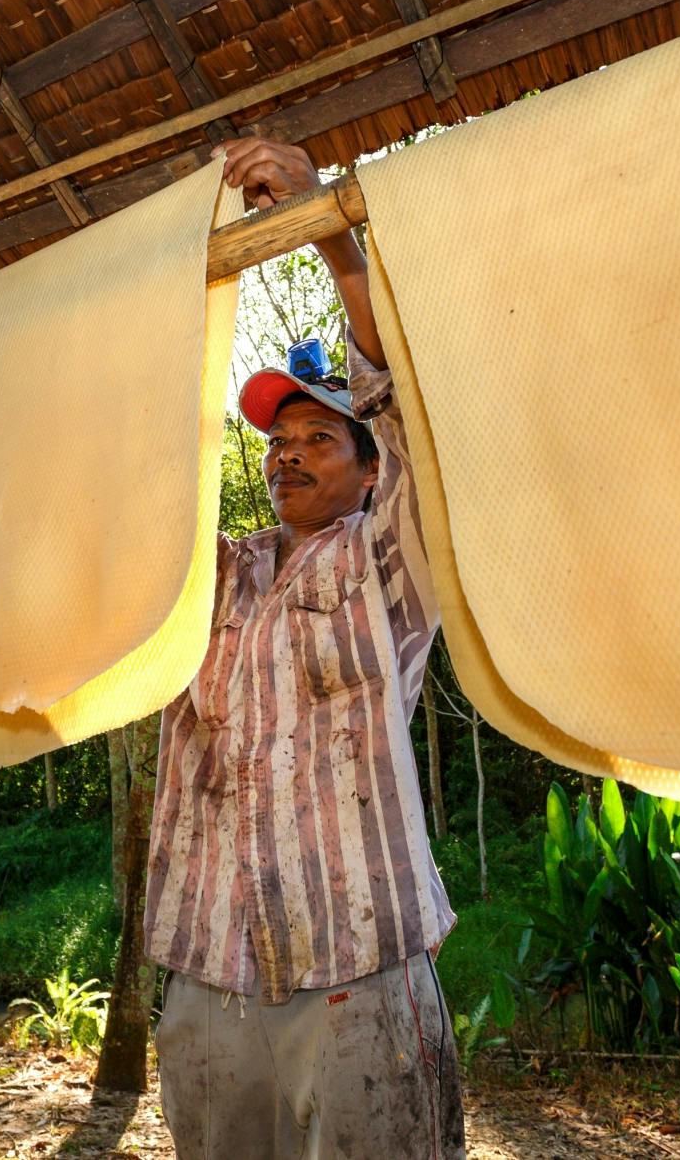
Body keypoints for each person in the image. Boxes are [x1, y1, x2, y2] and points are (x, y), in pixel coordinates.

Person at [145, 137, 465, 1158]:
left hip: (357, 976)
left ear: (369, 472)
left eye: (318, 436)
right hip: (205, 978)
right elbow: (132, 474)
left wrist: (330, 235)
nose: (287, 451)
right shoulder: (205, 575)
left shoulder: (390, 564)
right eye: (278, 440)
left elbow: (412, 412)